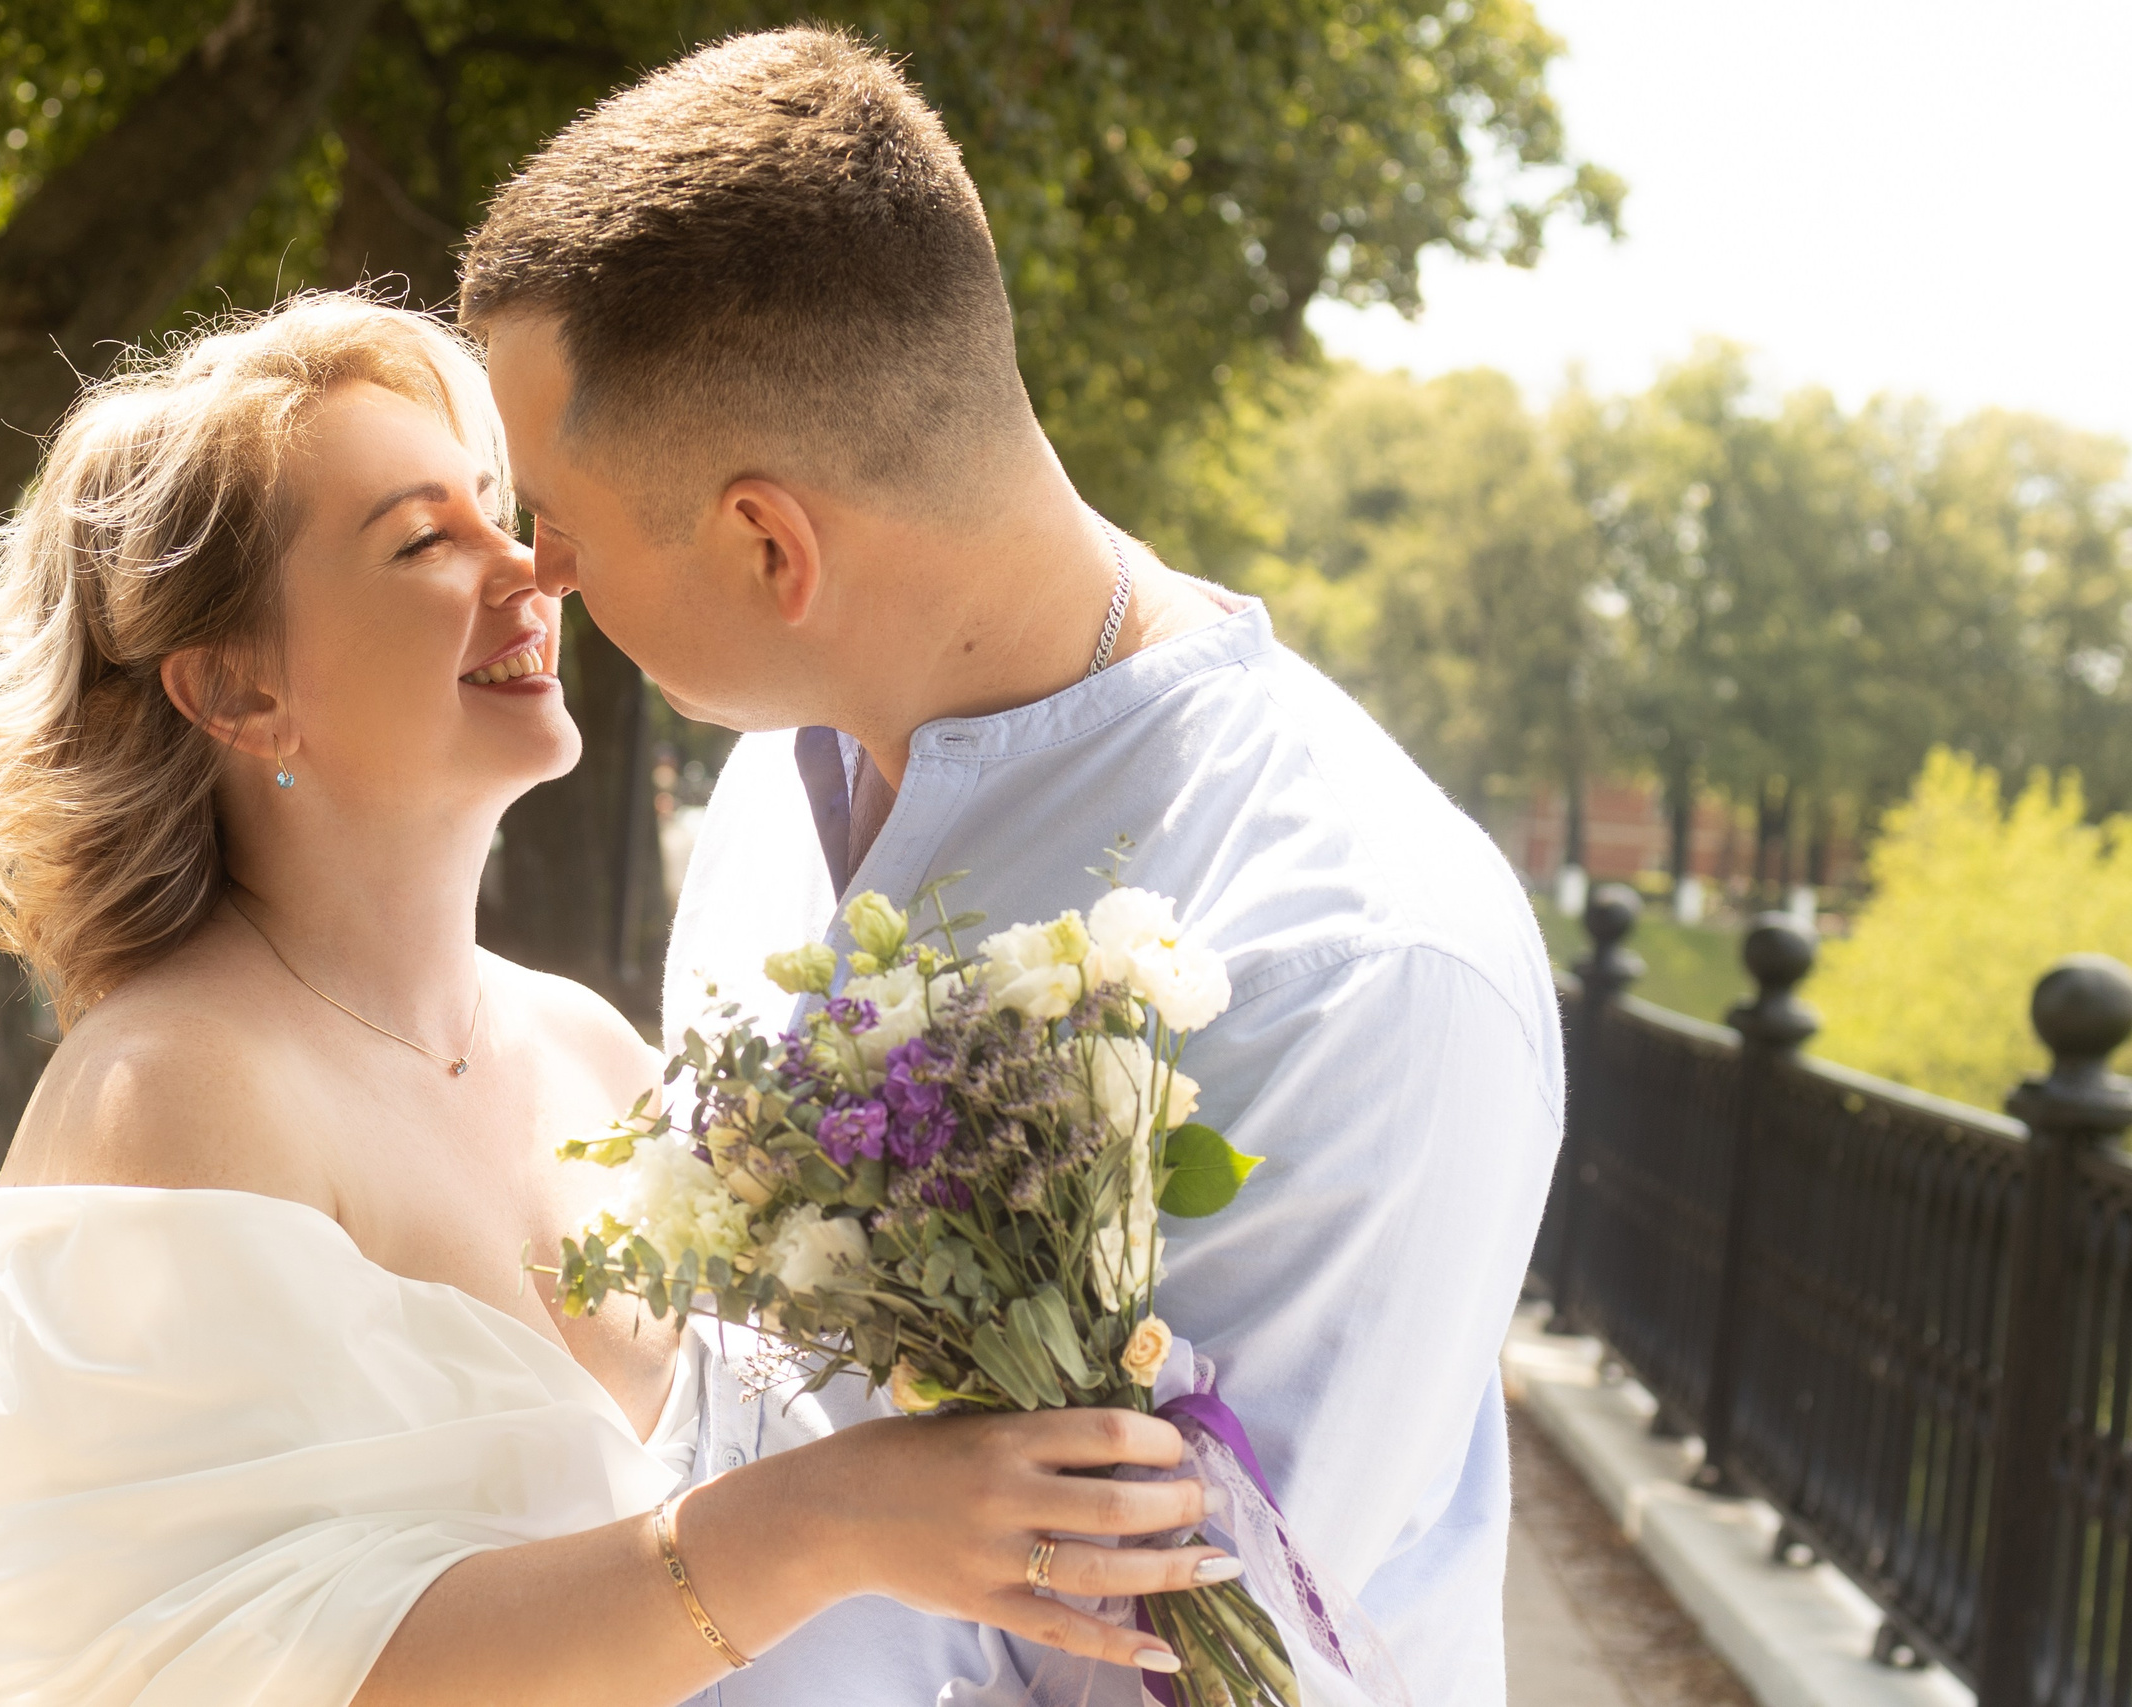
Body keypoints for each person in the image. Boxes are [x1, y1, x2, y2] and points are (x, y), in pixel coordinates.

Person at [0, 292, 1233, 1707]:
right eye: (425, 540)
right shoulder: (175, 1092)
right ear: (238, 691)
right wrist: (823, 1523)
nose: (533, 566)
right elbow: (206, 1665)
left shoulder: (592, 1053)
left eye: (501, 512)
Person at [461, 26, 1564, 1707]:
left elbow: (1198, 1656)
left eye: (562, 516)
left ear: (769, 545)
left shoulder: (1354, 960)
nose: (537, 569)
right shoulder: (767, 794)